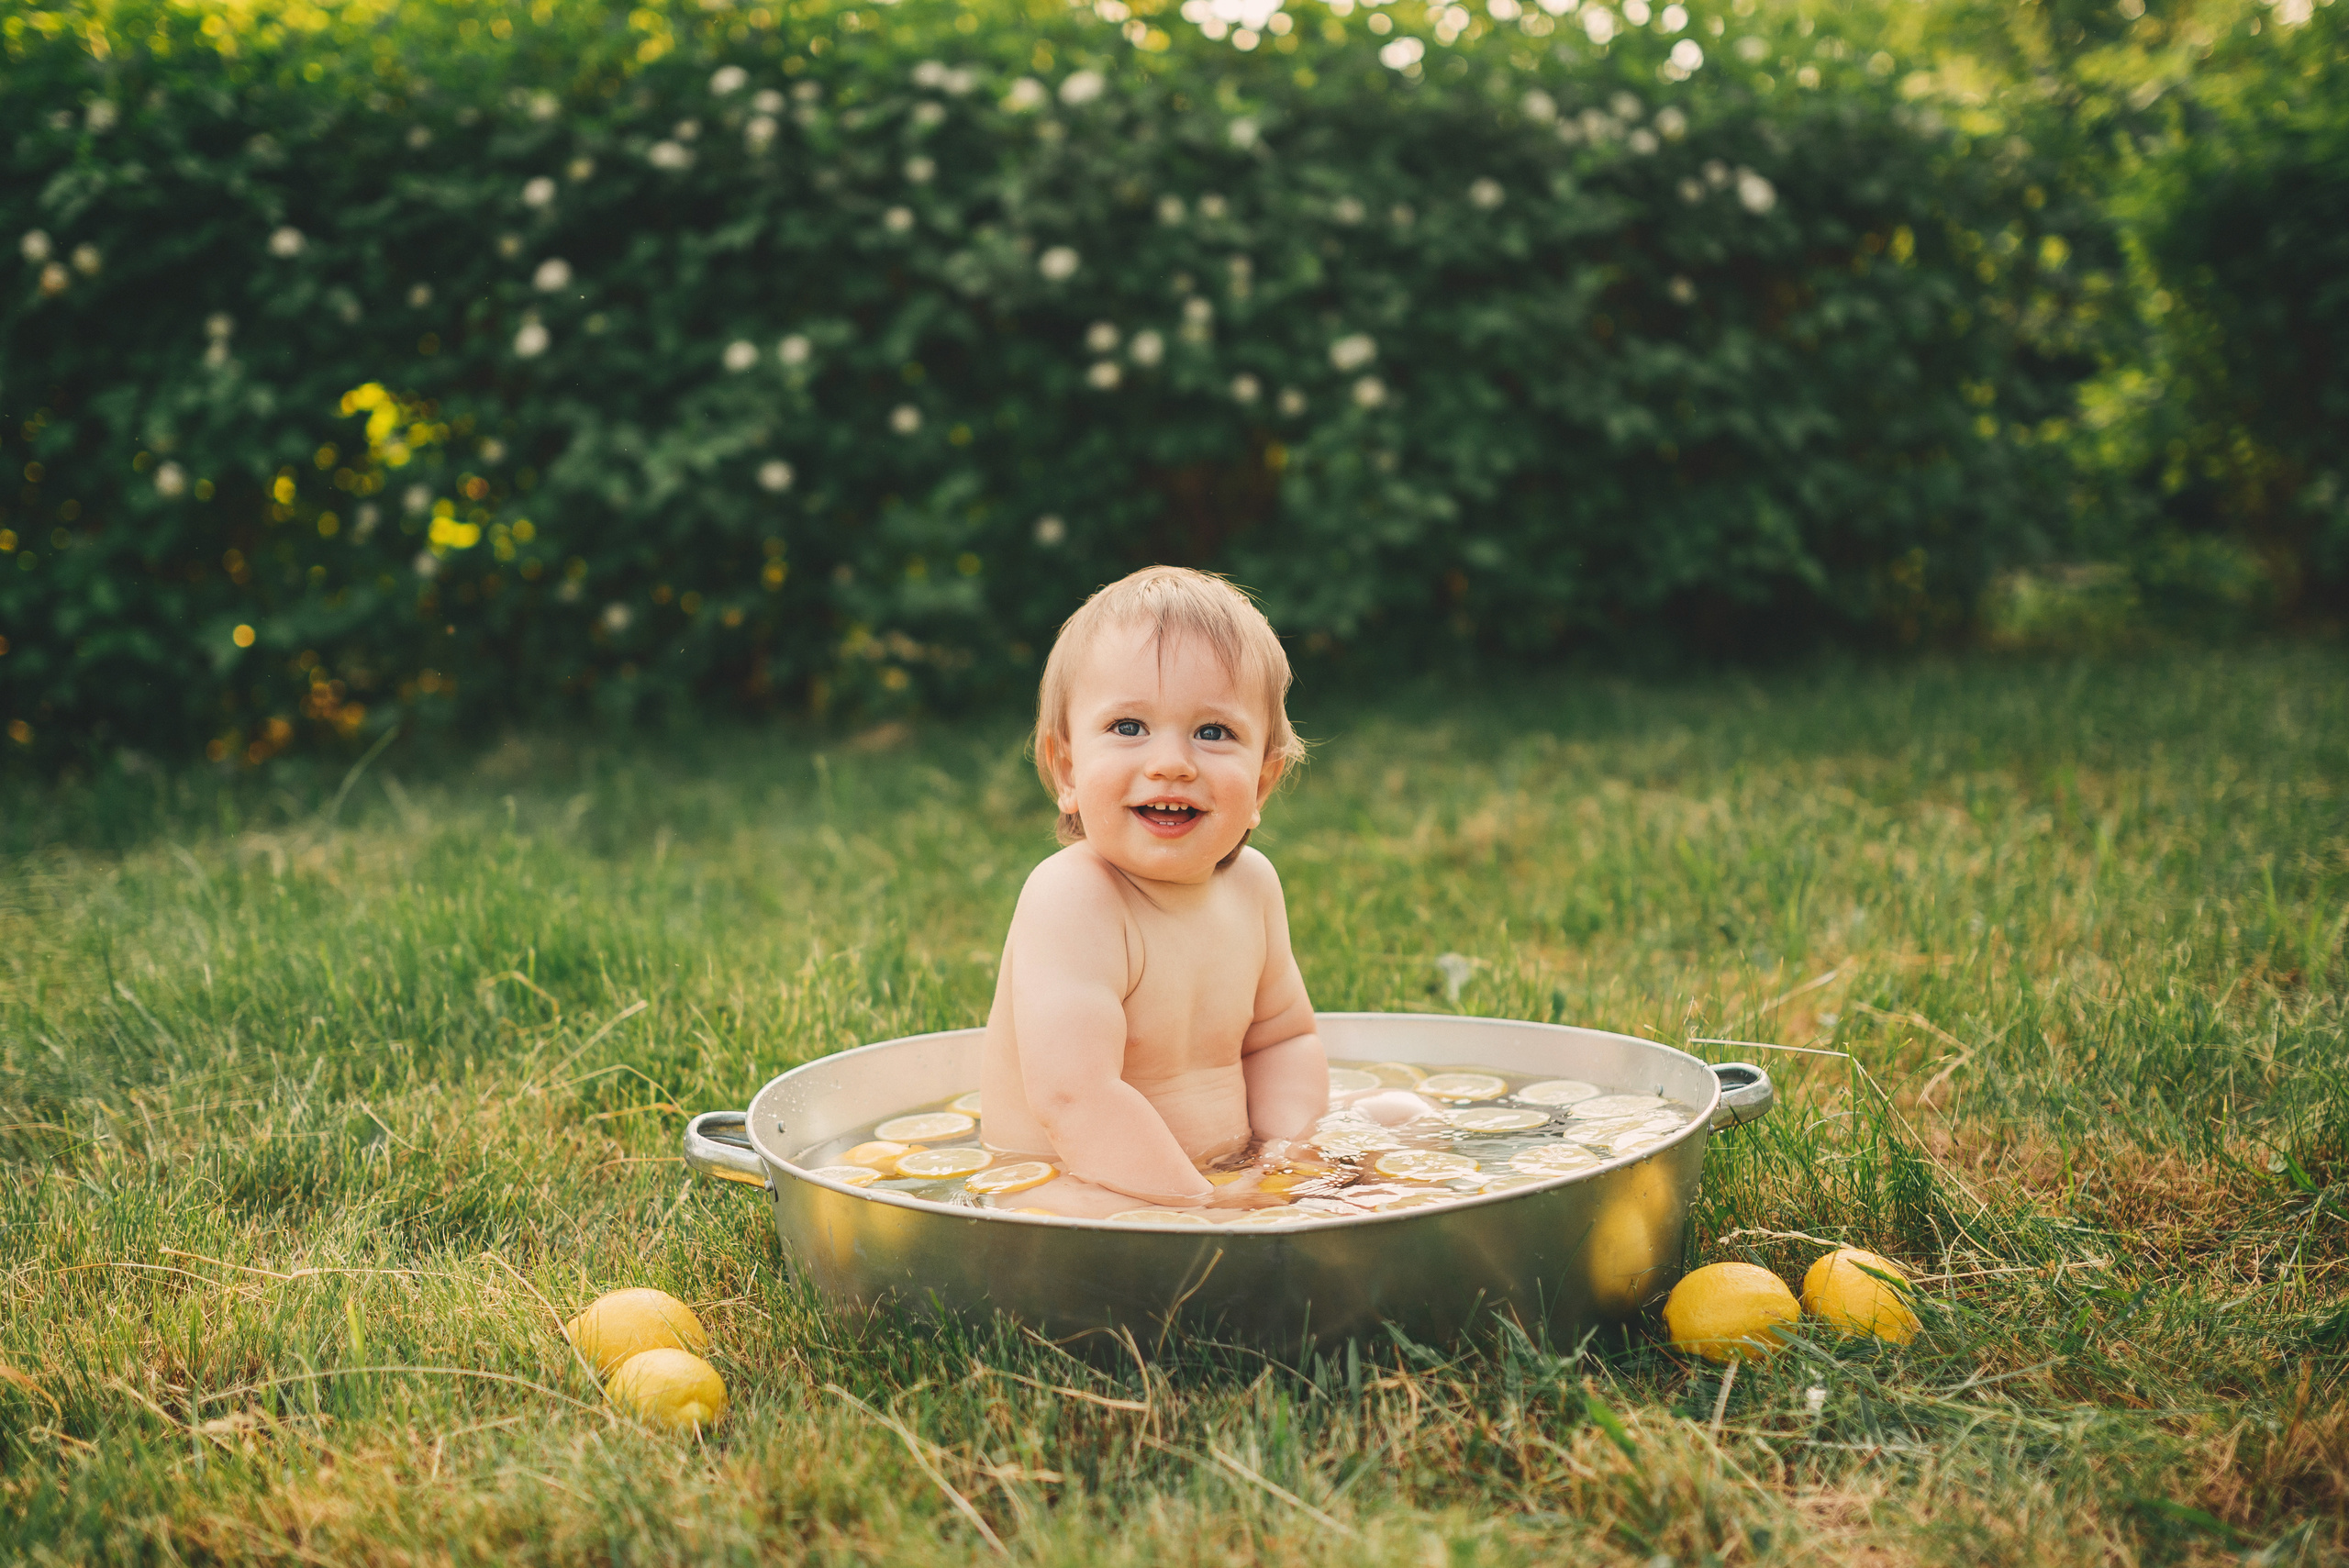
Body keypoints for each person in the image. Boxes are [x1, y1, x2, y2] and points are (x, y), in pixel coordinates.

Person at [977, 566, 1327, 1218]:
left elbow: (1282, 1039)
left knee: (1400, 1113)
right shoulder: (1074, 897)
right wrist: (1200, 1205)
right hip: (1080, 1176)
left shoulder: (1253, 887)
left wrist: (1284, 1156)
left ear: (1262, 784)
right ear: (1068, 768)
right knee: (1067, 1212)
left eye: (1213, 732)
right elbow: (1076, 1100)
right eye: (1130, 727)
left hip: (1226, 1172)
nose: (1172, 762)